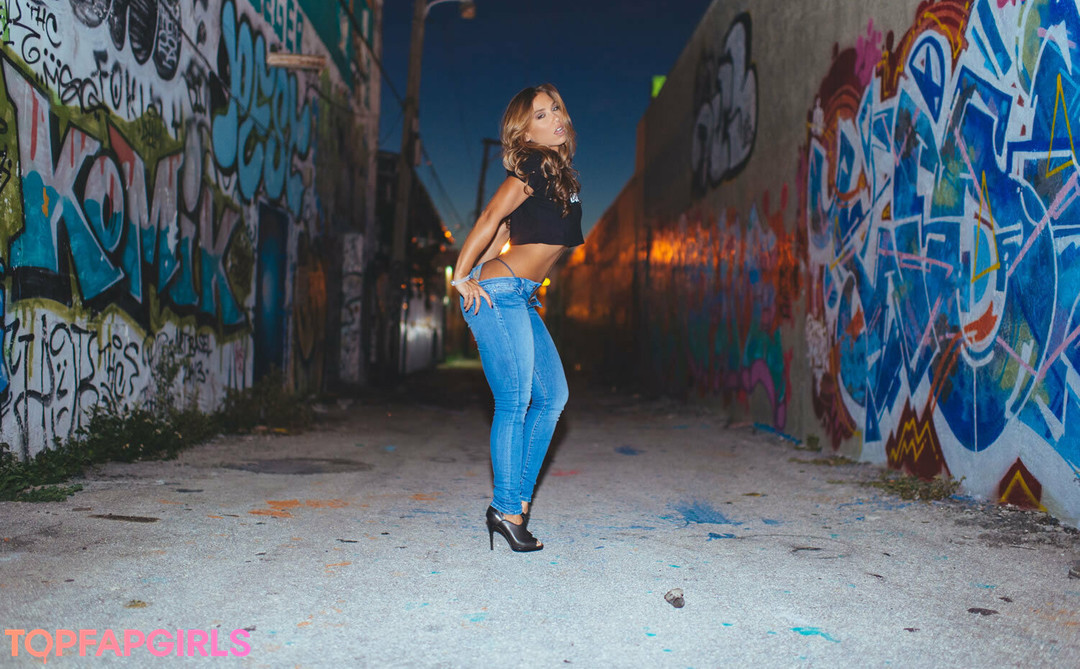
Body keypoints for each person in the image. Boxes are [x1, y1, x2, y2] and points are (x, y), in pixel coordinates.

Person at [450, 84, 584, 552]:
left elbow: (506, 230)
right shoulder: (531, 165)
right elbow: (492, 214)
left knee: (553, 396)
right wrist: (463, 277)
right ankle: (507, 511)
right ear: (524, 132)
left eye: (556, 109)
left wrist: (482, 277)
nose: (555, 118)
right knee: (515, 398)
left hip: (519, 295)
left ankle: (517, 503)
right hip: (502, 292)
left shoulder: (559, 176)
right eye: (541, 115)